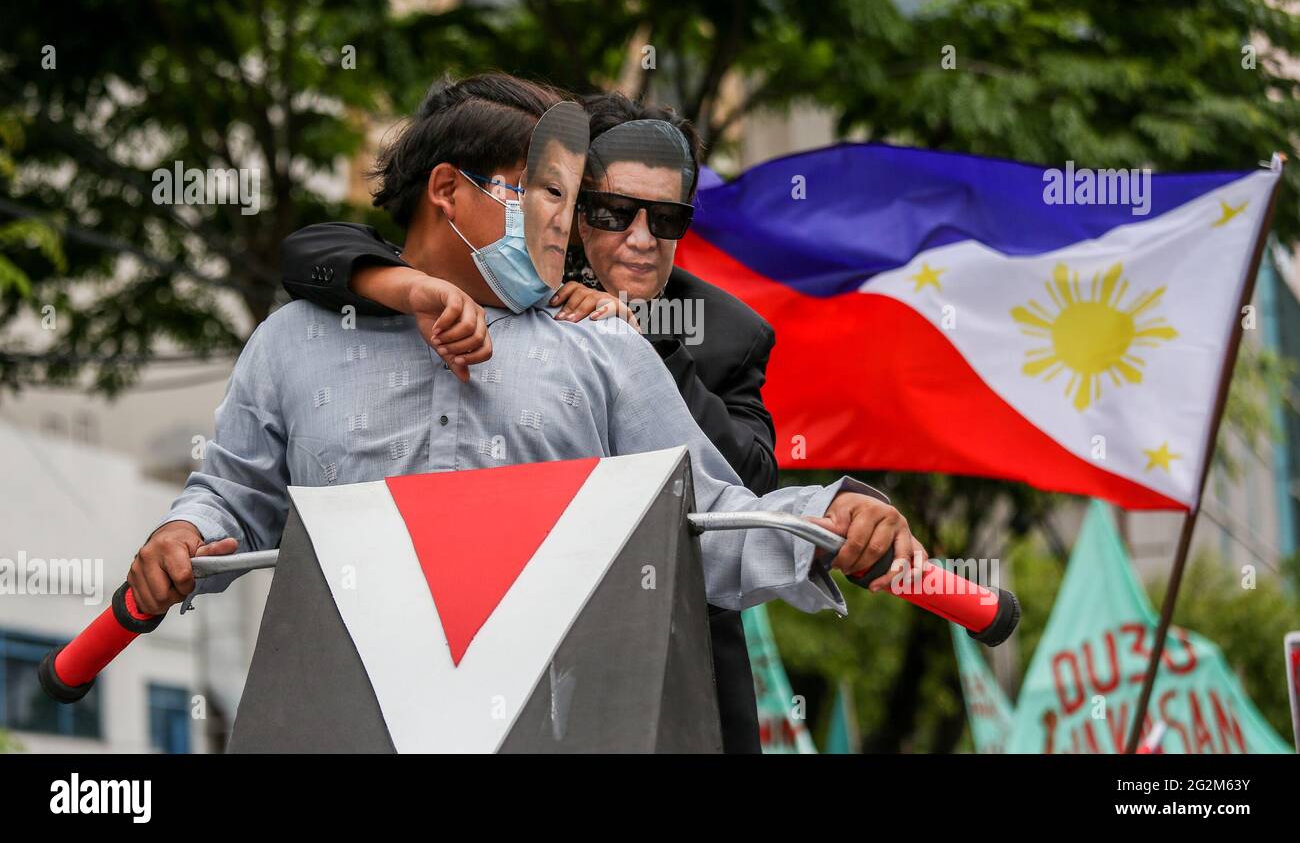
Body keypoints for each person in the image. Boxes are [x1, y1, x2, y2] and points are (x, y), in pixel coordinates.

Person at [129, 73, 926, 739]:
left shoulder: (605, 350)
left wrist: (831, 521)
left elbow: (711, 521)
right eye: (543, 191)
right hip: (340, 724)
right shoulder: (293, 341)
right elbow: (233, 496)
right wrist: (182, 534)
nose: (563, 221)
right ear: (447, 190)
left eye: (571, 196)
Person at [279, 92, 777, 751]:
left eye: (667, 218)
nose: (640, 239)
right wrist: (405, 291)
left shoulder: (725, 331)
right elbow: (316, 248)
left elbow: (751, 496)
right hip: (467, 665)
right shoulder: (497, 279)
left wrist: (644, 339)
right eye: (610, 211)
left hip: (669, 667)